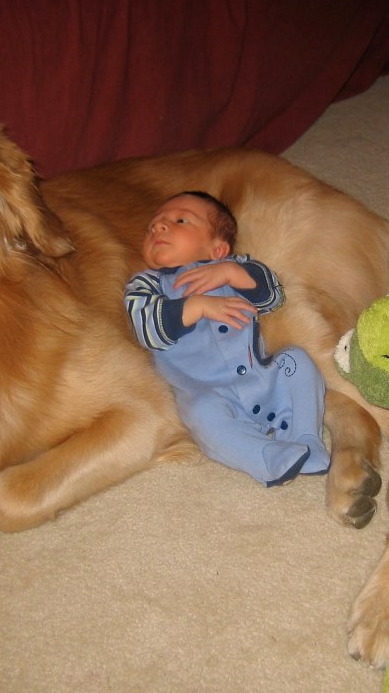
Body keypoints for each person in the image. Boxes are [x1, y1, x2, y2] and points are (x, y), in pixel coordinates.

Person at [125, 191, 330, 486]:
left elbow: (274, 296)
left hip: (262, 377)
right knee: (200, 414)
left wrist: (233, 273)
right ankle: (265, 457)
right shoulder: (146, 284)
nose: (158, 227)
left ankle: (305, 437)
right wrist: (196, 306)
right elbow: (146, 329)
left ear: (218, 248)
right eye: (152, 227)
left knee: (297, 361)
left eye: (180, 221)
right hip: (207, 392)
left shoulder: (234, 267)